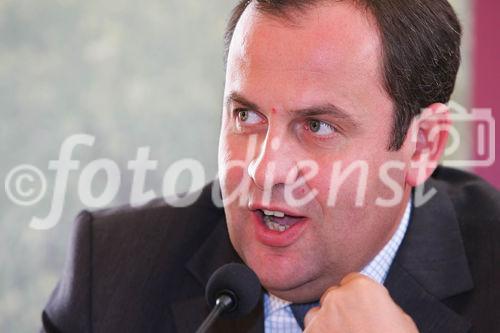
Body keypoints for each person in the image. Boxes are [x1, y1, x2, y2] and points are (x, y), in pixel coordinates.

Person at [41, 0, 500, 332]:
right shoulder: (112, 273)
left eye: (317, 126)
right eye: (247, 116)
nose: (265, 170)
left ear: (422, 145)